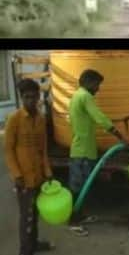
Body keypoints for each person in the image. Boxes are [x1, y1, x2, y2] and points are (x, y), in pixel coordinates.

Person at [68, 69, 129, 237]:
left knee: (82, 187)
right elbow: (100, 118)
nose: (98, 89)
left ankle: (79, 215)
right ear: (88, 82)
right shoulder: (85, 96)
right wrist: (120, 136)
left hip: (82, 148)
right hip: (82, 151)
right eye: (97, 84)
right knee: (78, 188)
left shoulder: (76, 96)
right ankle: (73, 221)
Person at [4, 79, 55, 254]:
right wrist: (17, 175)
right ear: (21, 98)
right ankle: (25, 250)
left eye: (34, 97)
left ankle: (34, 243)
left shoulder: (41, 119)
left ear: (39, 96)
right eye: (26, 97)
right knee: (26, 217)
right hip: (23, 180)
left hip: (39, 177)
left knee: (35, 215)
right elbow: (9, 150)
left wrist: (48, 171)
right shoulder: (14, 119)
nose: (30, 101)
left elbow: (44, 149)